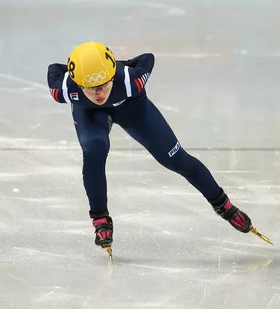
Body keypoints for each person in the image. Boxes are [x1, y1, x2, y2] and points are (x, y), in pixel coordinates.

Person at [47, 41, 253, 255]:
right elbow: (55, 68)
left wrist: (119, 67)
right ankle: (100, 218)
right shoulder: (62, 89)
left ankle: (224, 206)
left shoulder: (130, 80)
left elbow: (147, 58)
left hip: (131, 109)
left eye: (105, 84)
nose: (99, 94)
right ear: (77, 84)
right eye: (91, 88)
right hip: (90, 115)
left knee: (175, 159)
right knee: (94, 149)